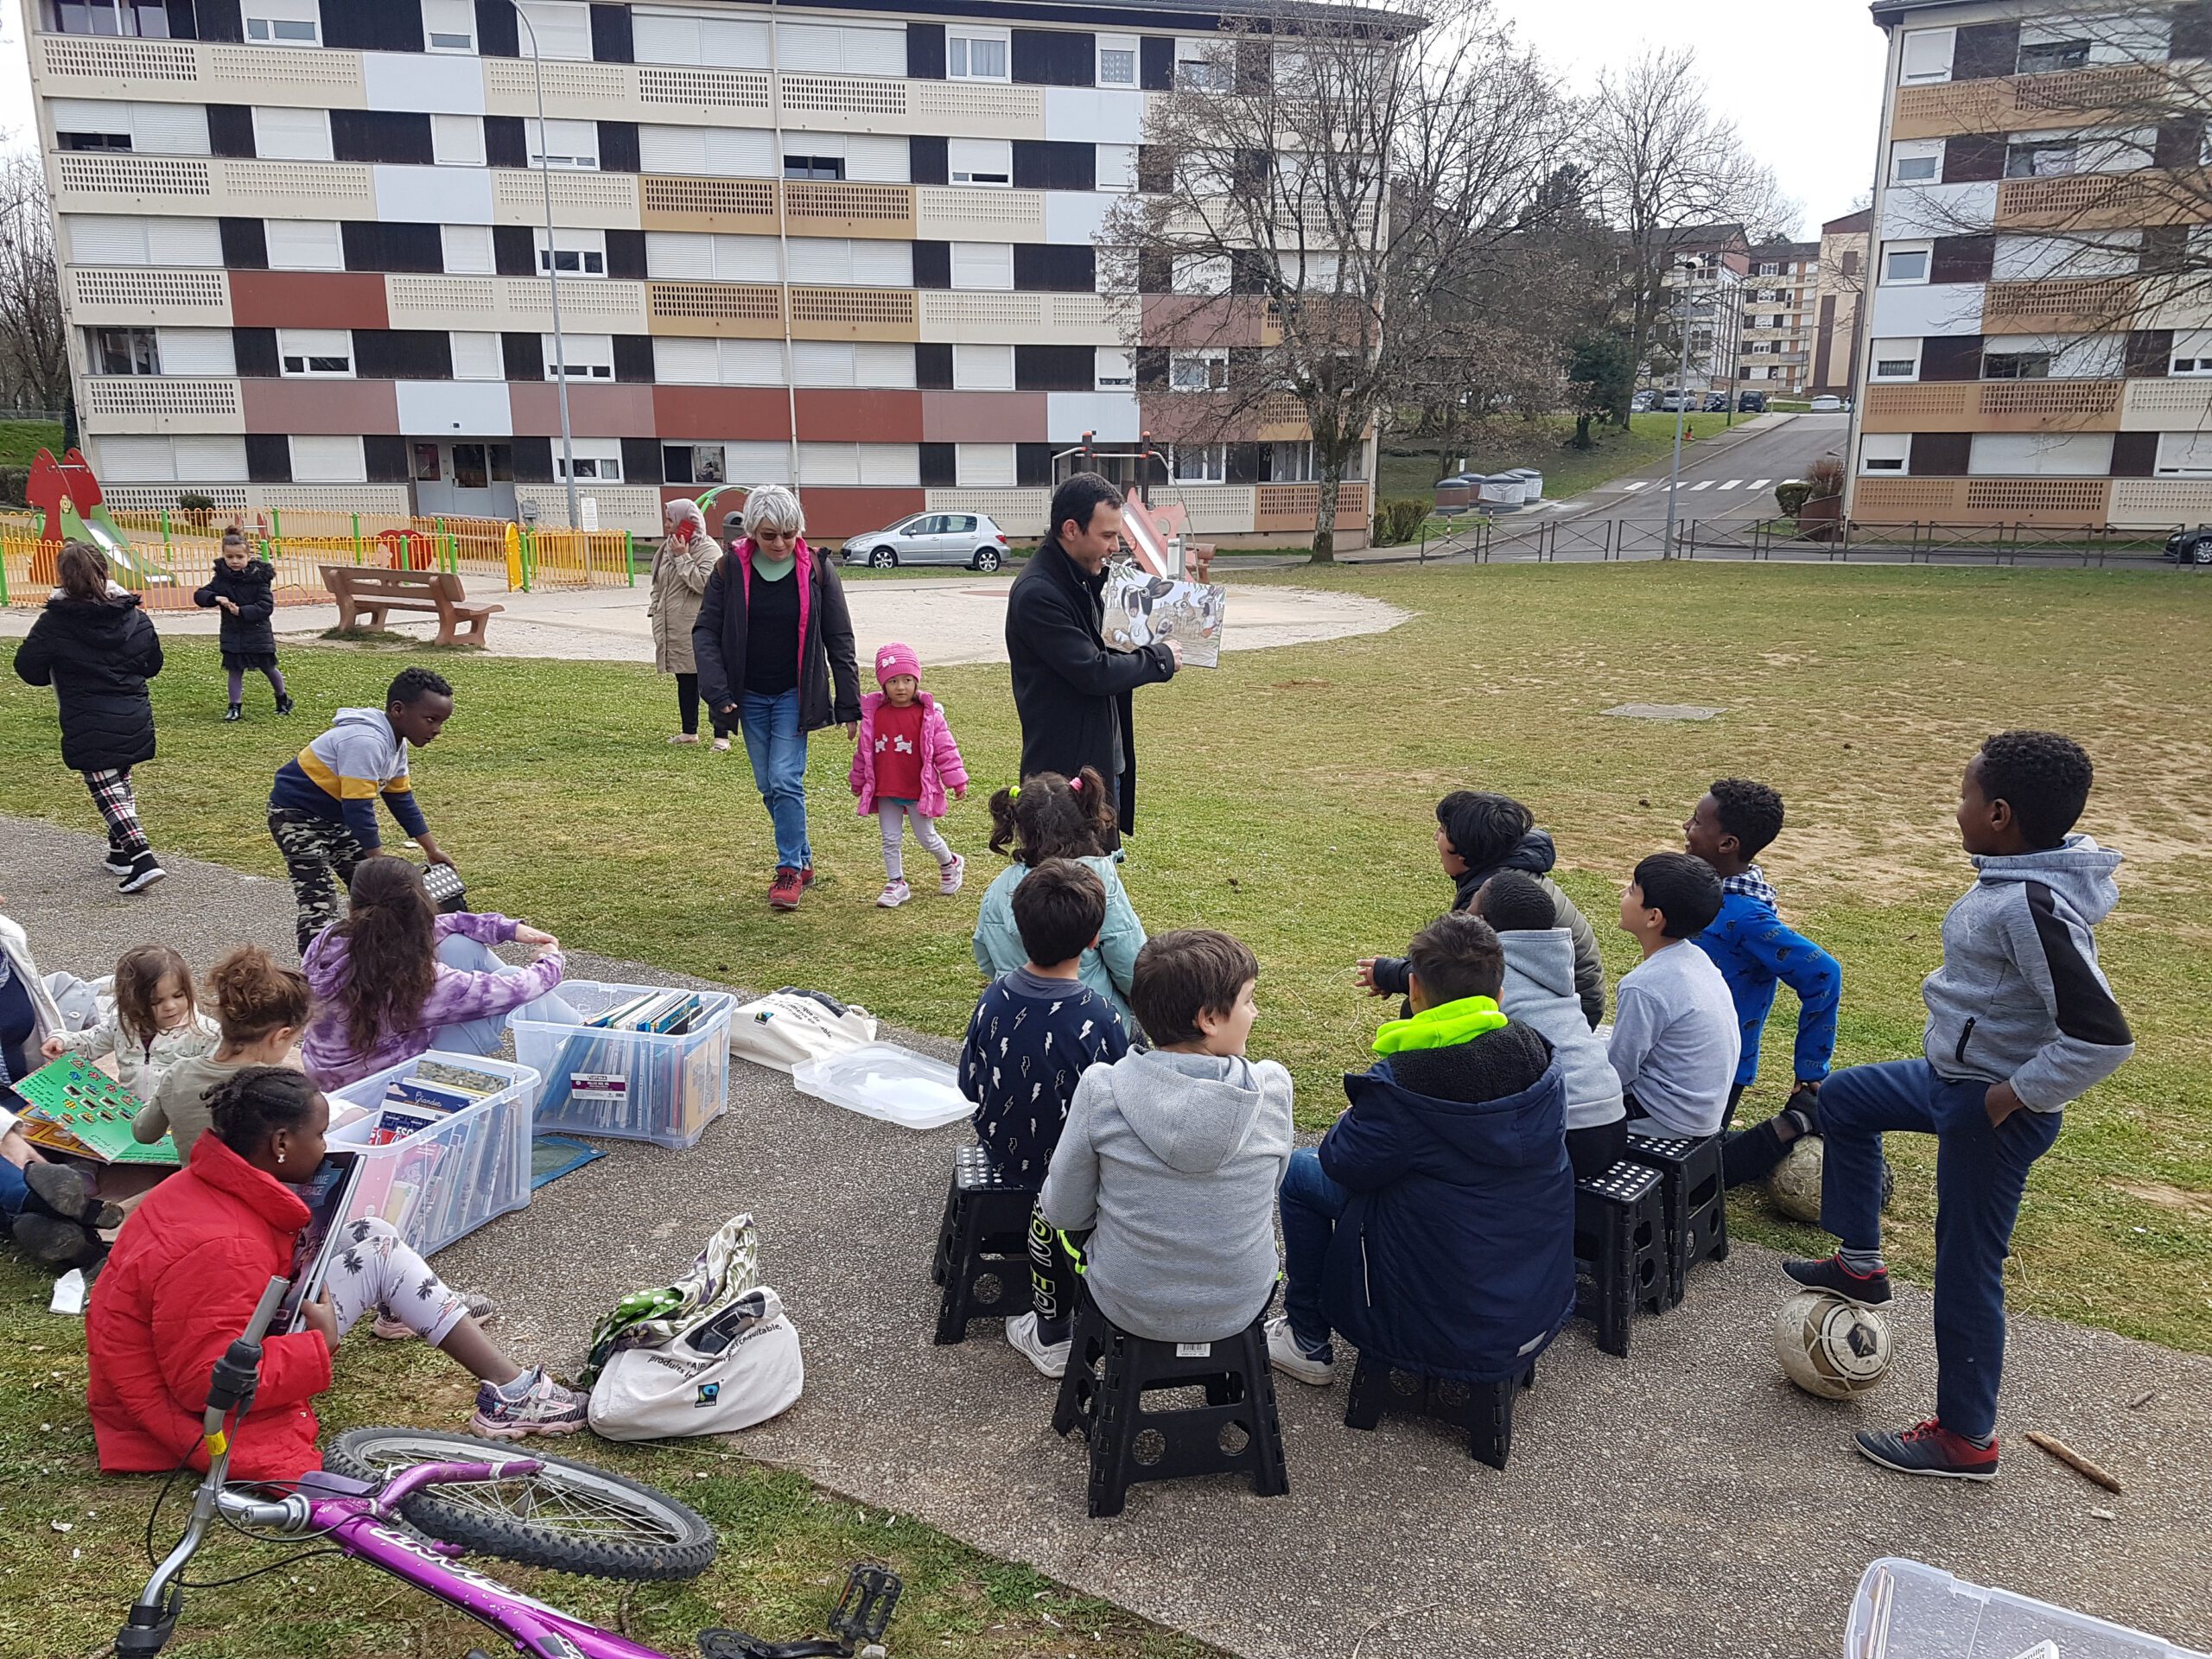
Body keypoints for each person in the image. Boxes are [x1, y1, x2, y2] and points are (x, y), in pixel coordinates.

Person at [1787, 732, 2133, 1482]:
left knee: (1967, 1268)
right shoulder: (2012, 874)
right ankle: (1860, 1264)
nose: (1957, 808)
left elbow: (2103, 1038)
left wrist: (2009, 1099)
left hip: (1990, 1108)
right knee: (1844, 1100)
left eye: (1964, 796)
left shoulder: (2030, 906)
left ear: (2000, 813)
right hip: (1952, 1078)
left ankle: (1966, 1437)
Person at [87, 1065, 588, 1479]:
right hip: (173, 1413)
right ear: (281, 1142)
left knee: (368, 1233)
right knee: (377, 1246)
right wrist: (317, 1346)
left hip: (160, 1366)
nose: (325, 1147)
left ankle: (410, 1307)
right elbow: (205, 1385)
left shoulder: (198, 1187)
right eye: (320, 1134)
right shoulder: (226, 1247)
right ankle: (510, 1392)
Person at [1268, 912, 1573, 1388]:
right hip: (1532, 1293)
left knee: (1299, 1173)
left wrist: (1355, 1115)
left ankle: (1306, 1338)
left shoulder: (1406, 1084)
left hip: (1438, 1301)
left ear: (1413, 992)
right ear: (1499, 995)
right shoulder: (1537, 1050)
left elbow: (1341, 1161)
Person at [1039, 929, 1294, 1345]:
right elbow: (1273, 1185)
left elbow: (1064, 1211)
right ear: (1209, 1019)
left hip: (1127, 1302)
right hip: (1241, 1301)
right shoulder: (1273, 1087)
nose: (1256, 1012)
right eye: (1248, 1000)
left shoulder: (1102, 1090)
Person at [957, 858, 1130, 1377]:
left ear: (1019, 925)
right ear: (1095, 938)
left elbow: (969, 1082)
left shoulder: (993, 997)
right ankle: (1056, 1333)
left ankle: (1052, 1323)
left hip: (1003, 1152)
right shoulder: (1102, 1018)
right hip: (1073, 1176)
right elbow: (1122, 1109)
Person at [693, 486, 861, 911]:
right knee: (769, 785)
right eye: (769, 535)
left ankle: (788, 870)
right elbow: (705, 633)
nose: (780, 543)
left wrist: (849, 704)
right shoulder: (728, 569)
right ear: (752, 532)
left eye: (788, 533)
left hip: (794, 695)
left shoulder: (818, 569)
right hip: (748, 696)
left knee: (786, 780)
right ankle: (803, 858)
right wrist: (718, 691)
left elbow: (839, 637)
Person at [1681, 779, 1842, 1187]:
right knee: (1684, 1148)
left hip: (1719, 1061)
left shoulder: (1746, 916)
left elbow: (1823, 973)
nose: (1686, 826)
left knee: (1691, 1182)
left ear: (1727, 844)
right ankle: (1750, 1147)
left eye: (1697, 822)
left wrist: (1811, 1069)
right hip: (1684, 1048)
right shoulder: (1705, 894)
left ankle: (1795, 1123)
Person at [300, 855, 572, 1091]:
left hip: (329, 1077)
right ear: (422, 904)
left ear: (353, 905)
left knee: (460, 945)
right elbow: (521, 990)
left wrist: (504, 928)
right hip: (387, 1088)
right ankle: (586, 1051)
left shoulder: (326, 941)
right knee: (524, 990)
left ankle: (587, 1042)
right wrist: (550, 960)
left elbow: (440, 926)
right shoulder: (416, 980)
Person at [1004, 473, 1179, 840]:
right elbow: (1093, 672)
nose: (1116, 546)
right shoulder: (1039, 594)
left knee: (1101, 871)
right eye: (1107, 535)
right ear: (1071, 529)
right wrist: (1158, 660)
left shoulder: (1084, 579)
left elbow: (1109, 645)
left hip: (1099, 759)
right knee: (1069, 881)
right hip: (1063, 777)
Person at [1357, 792, 1605, 1028]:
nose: (1435, 837)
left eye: (1443, 831)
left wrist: (1389, 973)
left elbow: (1454, 968)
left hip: (1564, 1012)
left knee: (1426, 1008)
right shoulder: (1506, 871)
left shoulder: (1493, 894)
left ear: (1465, 852)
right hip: (1564, 998)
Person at [11, 541, 168, 893]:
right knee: (119, 780)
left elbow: (28, 669)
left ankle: (142, 858)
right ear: (105, 572)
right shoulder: (133, 616)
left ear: (63, 579)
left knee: (106, 788)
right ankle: (119, 852)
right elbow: (153, 664)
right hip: (132, 710)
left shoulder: (54, 622)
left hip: (86, 715)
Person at [267, 666, 454, 953]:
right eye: (430, 720)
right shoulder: (366, 741)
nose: (437, 730)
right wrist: (378, 862)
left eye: (441, 722)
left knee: (378, 894)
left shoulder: (396, 744)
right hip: (297, 817)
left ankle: (375, 959)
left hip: (336, 819)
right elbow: (358, 808)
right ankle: (316, 977)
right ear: (398, 710)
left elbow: (401, 799)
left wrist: (431, 849)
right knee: (319, 900)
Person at [1477, 871, 1627, 1180]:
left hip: (1568, 1132)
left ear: (1483, 924)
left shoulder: (1492, 978)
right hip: (1613, 1121)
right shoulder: (1551, 967)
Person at [973, 769, 1147, 1031]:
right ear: (1085, 819)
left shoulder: (999, 887)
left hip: (1019, 1024)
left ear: (1021, 829)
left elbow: (986, 957)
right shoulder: (1096, 881)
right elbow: (1130, 964)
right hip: (1092, 1024)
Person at [2, 897, 123, 1268]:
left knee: (101, 1132)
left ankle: (38, 1217)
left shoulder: (7, 942)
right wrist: (7, 1134)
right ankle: (59, 1209)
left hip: (19, 1095)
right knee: (21, 1164)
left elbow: (36, 1024)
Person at [136, 945, 310, 1163]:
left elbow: (143, 1133)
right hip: (252, 1194)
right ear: (281, 1036)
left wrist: (161, 1096)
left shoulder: (177, 1074)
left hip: (195, 1190)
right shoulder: (280, 1089)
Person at [1609, 852, 1740, 1138]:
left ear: (1653, 917)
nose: (1622, 893)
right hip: (1703, 1111)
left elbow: (1617, 1072)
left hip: (1667, 1118)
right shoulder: (1696, 959)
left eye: (1632, 890)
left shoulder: (1643, 986)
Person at [849, 641, 969, 909]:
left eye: (907, 680)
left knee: (926, 836)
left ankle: (950, 862)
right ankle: (896, 882)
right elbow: (864, 753)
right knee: (890, 839)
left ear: (916, 681)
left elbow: (945, 750)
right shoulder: (874, 716)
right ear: (883, 684)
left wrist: (957, 780)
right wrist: (858, 780)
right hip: (886, 789)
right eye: (893, 681)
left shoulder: (929, 717)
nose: (901, 687)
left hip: (918, 790)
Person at [41, 943, 219, 1101]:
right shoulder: (125, 1024)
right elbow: (91, 1043)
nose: (170, 1006)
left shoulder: (205, 1033)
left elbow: (222, 1078)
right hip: (131, 1115)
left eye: (178, 995)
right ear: (132, 1002)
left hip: (178, 1123)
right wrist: (63, 1041)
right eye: (155, 1002)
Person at [647, 499, 728, 750]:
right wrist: (655, 607)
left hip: (701, 626)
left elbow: (706, 584)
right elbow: (659, 583)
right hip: (676, 627)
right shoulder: (668, 547)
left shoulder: (707, 549)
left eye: (670, 519)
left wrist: (684, 558)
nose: (666, 524)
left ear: (687, 521)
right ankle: (689, 732)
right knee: (685, 680)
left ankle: (721, 736)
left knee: (711, 681)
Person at [194, 528, 291, 722]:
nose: (235, 561)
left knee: (268, 667)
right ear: (224, 556)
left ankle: (282, 698)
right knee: (234, 670)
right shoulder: (221, 579)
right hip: (233, 634)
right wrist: (216, 597)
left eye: (239, 556)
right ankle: (234, 706)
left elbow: (265, 607)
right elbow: (200, 595)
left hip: (257, 633)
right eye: (230, 557)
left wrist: (242, 611)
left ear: (248, 556)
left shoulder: (259, 579)